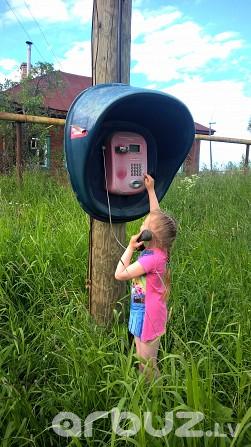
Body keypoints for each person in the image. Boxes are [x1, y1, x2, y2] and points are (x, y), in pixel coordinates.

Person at [115, 174, 177, 380]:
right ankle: (146, 395)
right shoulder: (161, 249)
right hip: (142, 310)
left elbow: (120, 274)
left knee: (148, 365)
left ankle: (158, 397)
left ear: (148, 236)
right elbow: (156, 216)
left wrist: (131, 247)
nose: (140, 227)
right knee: (141, 360)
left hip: (149, 316)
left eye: (143, 226)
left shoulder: (150, 260)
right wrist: (151, 190)